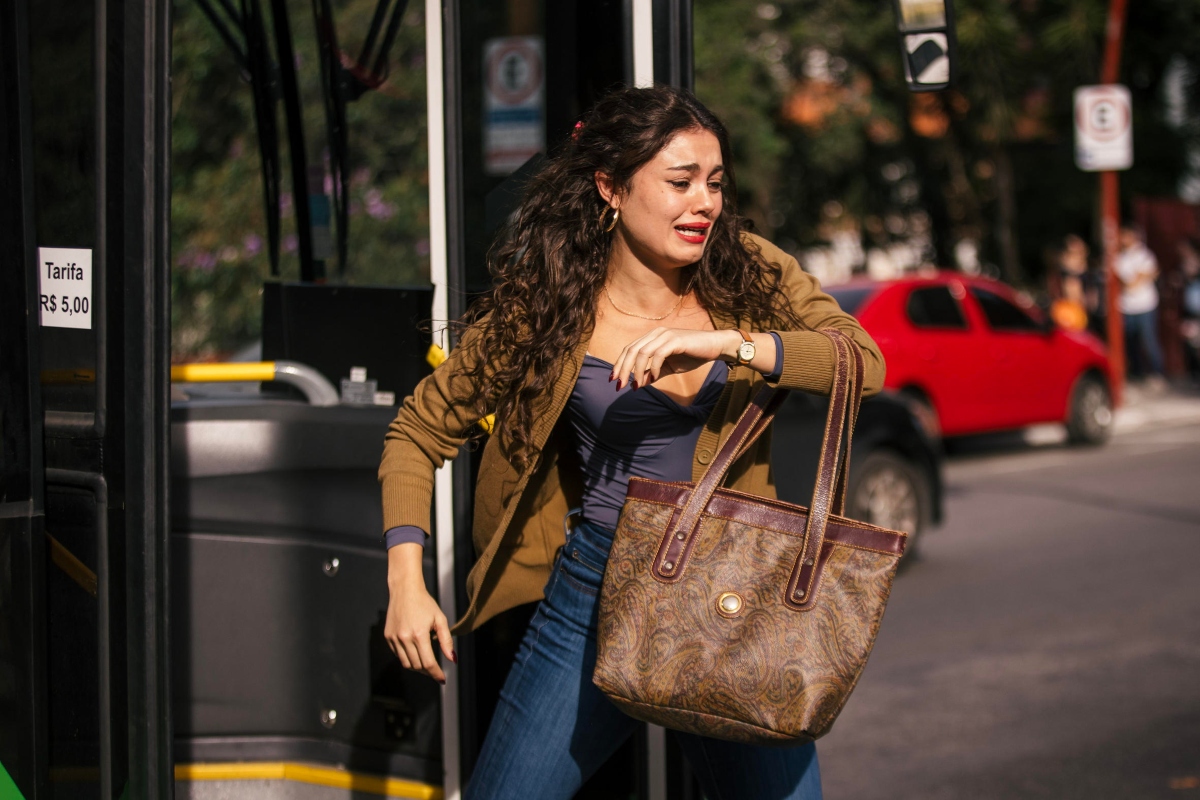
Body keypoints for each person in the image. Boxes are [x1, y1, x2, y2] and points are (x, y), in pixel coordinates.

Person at [378, 86, 884, 800]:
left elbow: (864, 362)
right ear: (611, 188)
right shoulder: (549, 302)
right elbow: (417, 430)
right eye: (680, 182)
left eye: (715, 183)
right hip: (595, 593)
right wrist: (406, 581)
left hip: (730, 596)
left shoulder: (750, 270)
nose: (704, 203)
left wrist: (731, 344)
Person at [1114, 224, 1164, 382]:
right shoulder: (1119, 257)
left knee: (1149, 340)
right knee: (1131, 341)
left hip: (1145, 305)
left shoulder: (1145, 255)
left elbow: (1139, 280)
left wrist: (1131, 281)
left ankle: (1157, 372)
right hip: (1126, 306)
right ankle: (1137, 373)